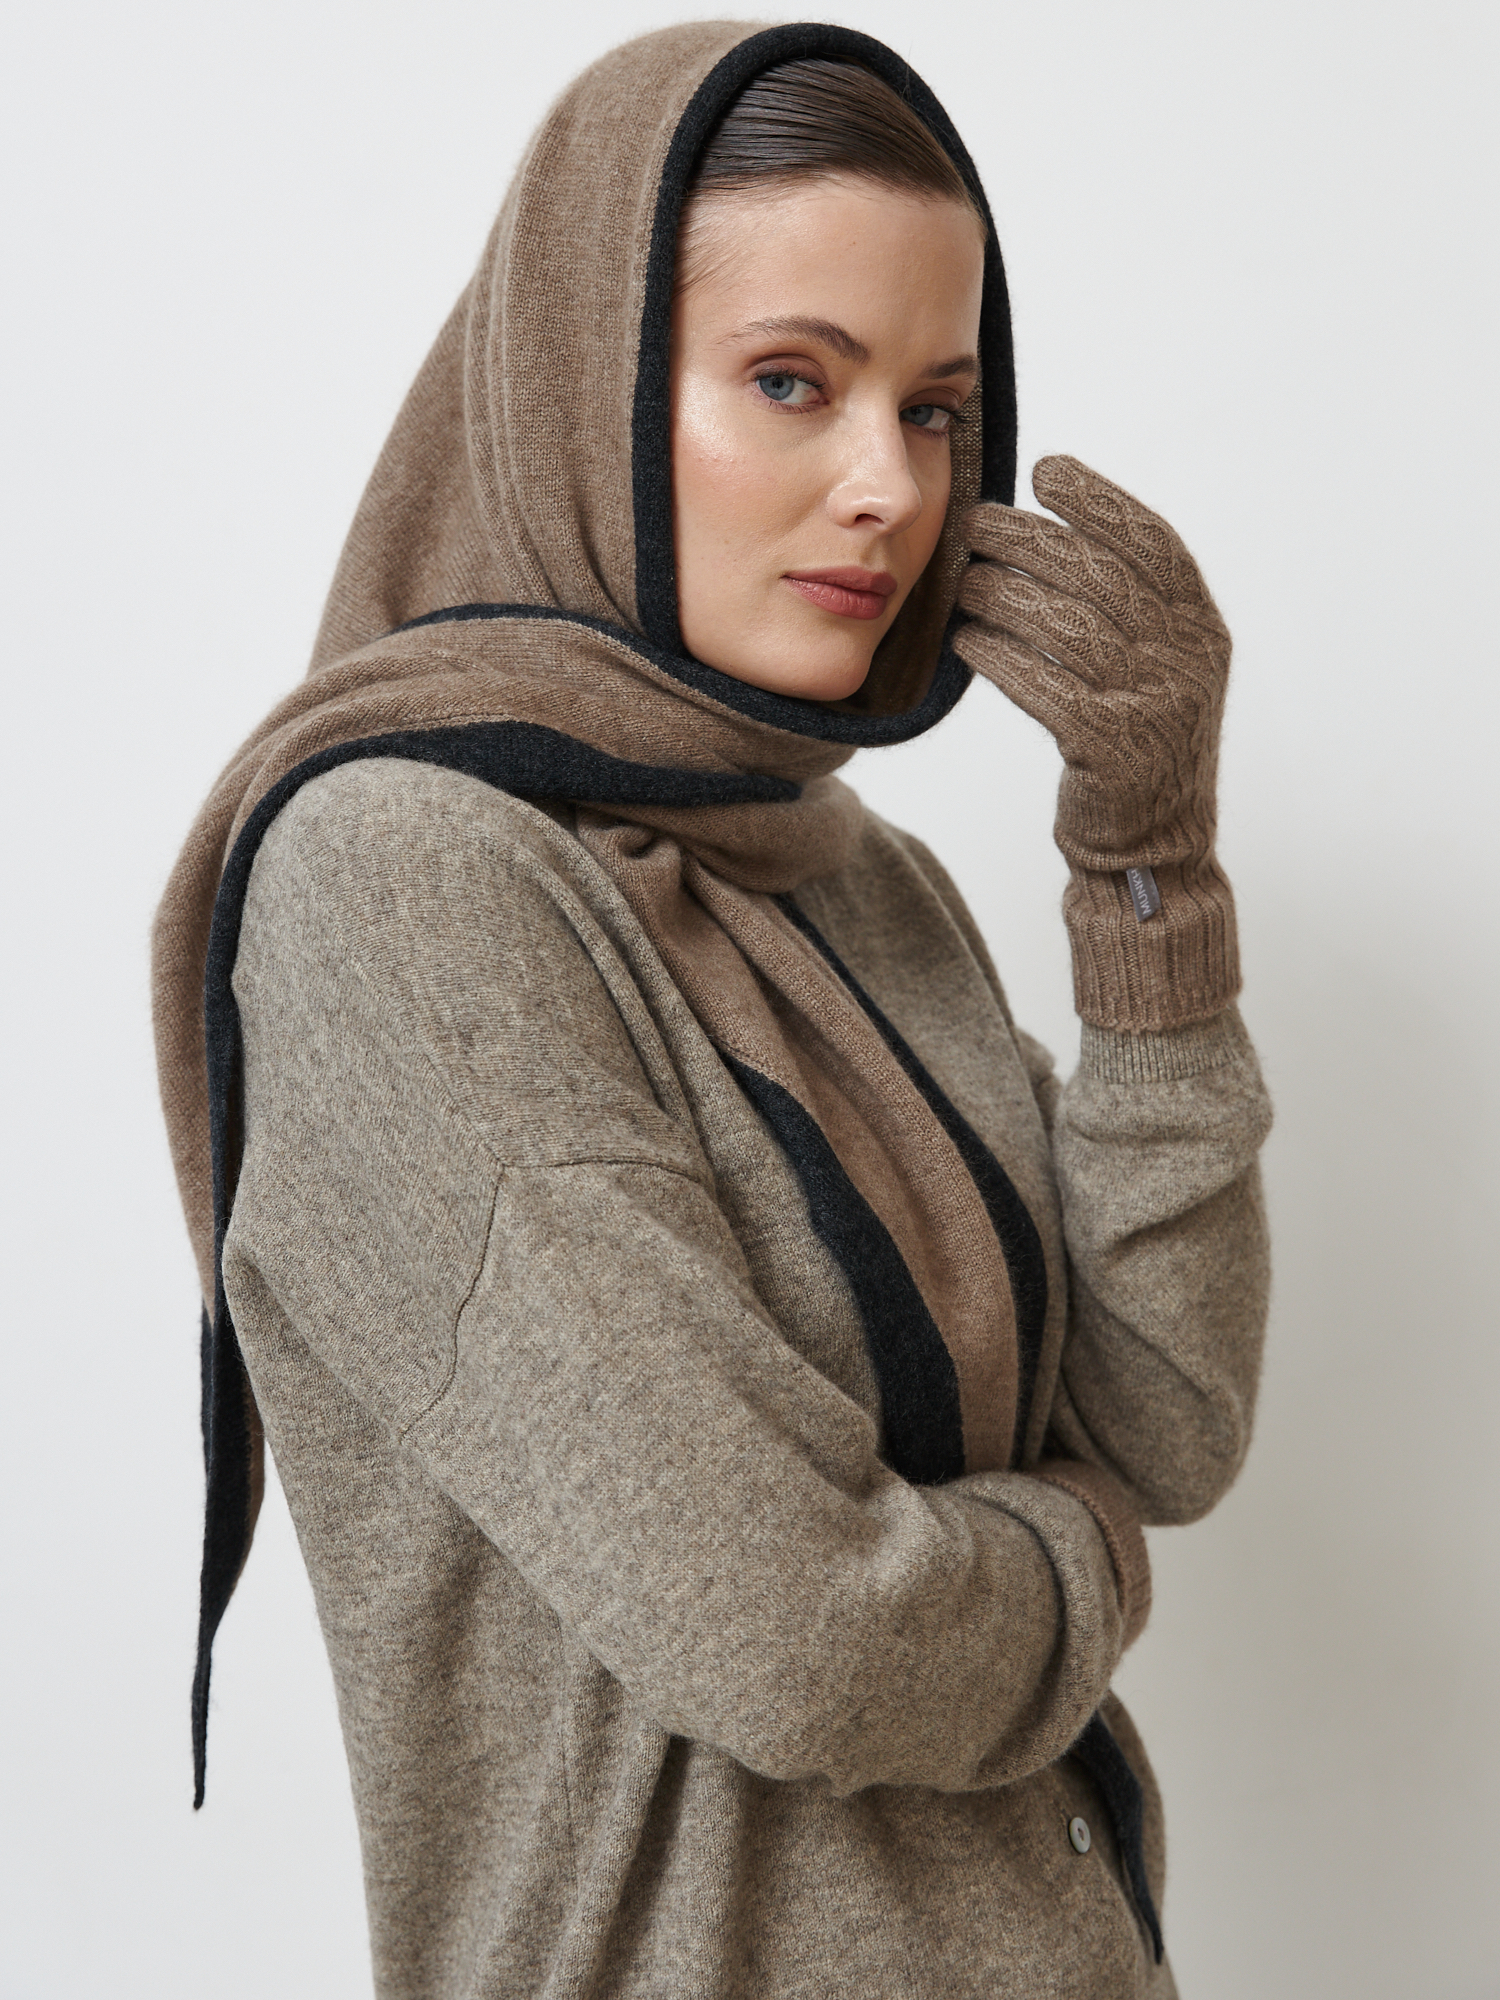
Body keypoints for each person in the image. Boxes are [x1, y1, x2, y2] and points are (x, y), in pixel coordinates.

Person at [152, 22, 1271, 1999]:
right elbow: (800, 1636)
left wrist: (1145, 865)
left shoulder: (858, 878)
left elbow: (1165, 1424)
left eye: (937, 409)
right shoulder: (402, 884)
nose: (890, 488)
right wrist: (1084, 1560)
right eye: (791, 381)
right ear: (581, 387)